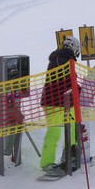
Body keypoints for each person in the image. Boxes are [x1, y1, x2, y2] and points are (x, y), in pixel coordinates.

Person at [39, 36, 80, 171]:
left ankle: (70, 155)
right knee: (55, 131)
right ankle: (46, 162)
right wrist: (79, 89)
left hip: (66, 101)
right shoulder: (62, 58)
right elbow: (66, 80)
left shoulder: (65, 59)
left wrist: (78, 89)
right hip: (54, 102)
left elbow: (69, 81)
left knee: (74, 126)